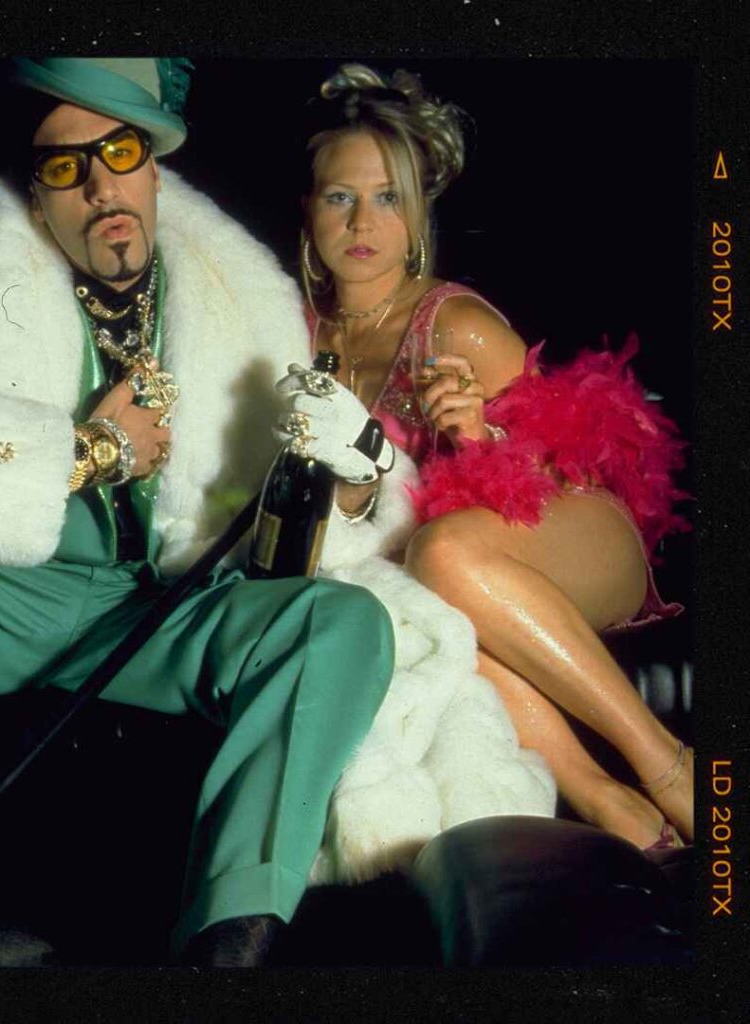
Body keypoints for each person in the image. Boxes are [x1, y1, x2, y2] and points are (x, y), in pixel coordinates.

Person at [0, 57, 408, 967]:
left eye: (119, 153)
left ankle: (231, 939)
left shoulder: (246, 302)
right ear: (38, 197)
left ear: (153, 166)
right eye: (65, 166)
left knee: (343, 623)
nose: (100, 187)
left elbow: (292, 536)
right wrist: (83, 452)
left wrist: (354, 480)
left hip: (157, 608)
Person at [284, 63, 692, 852]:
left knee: (438, 555)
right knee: (413, 601)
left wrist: (480, 437)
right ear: (309, 208)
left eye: (388, 198)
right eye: (340, 197)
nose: (363, 221)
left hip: (571, 536)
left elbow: (581, 466)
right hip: (450, 575)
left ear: (417, 213)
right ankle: (607, 800)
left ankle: (668, 762)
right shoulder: (294, 332)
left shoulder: (455, 325)